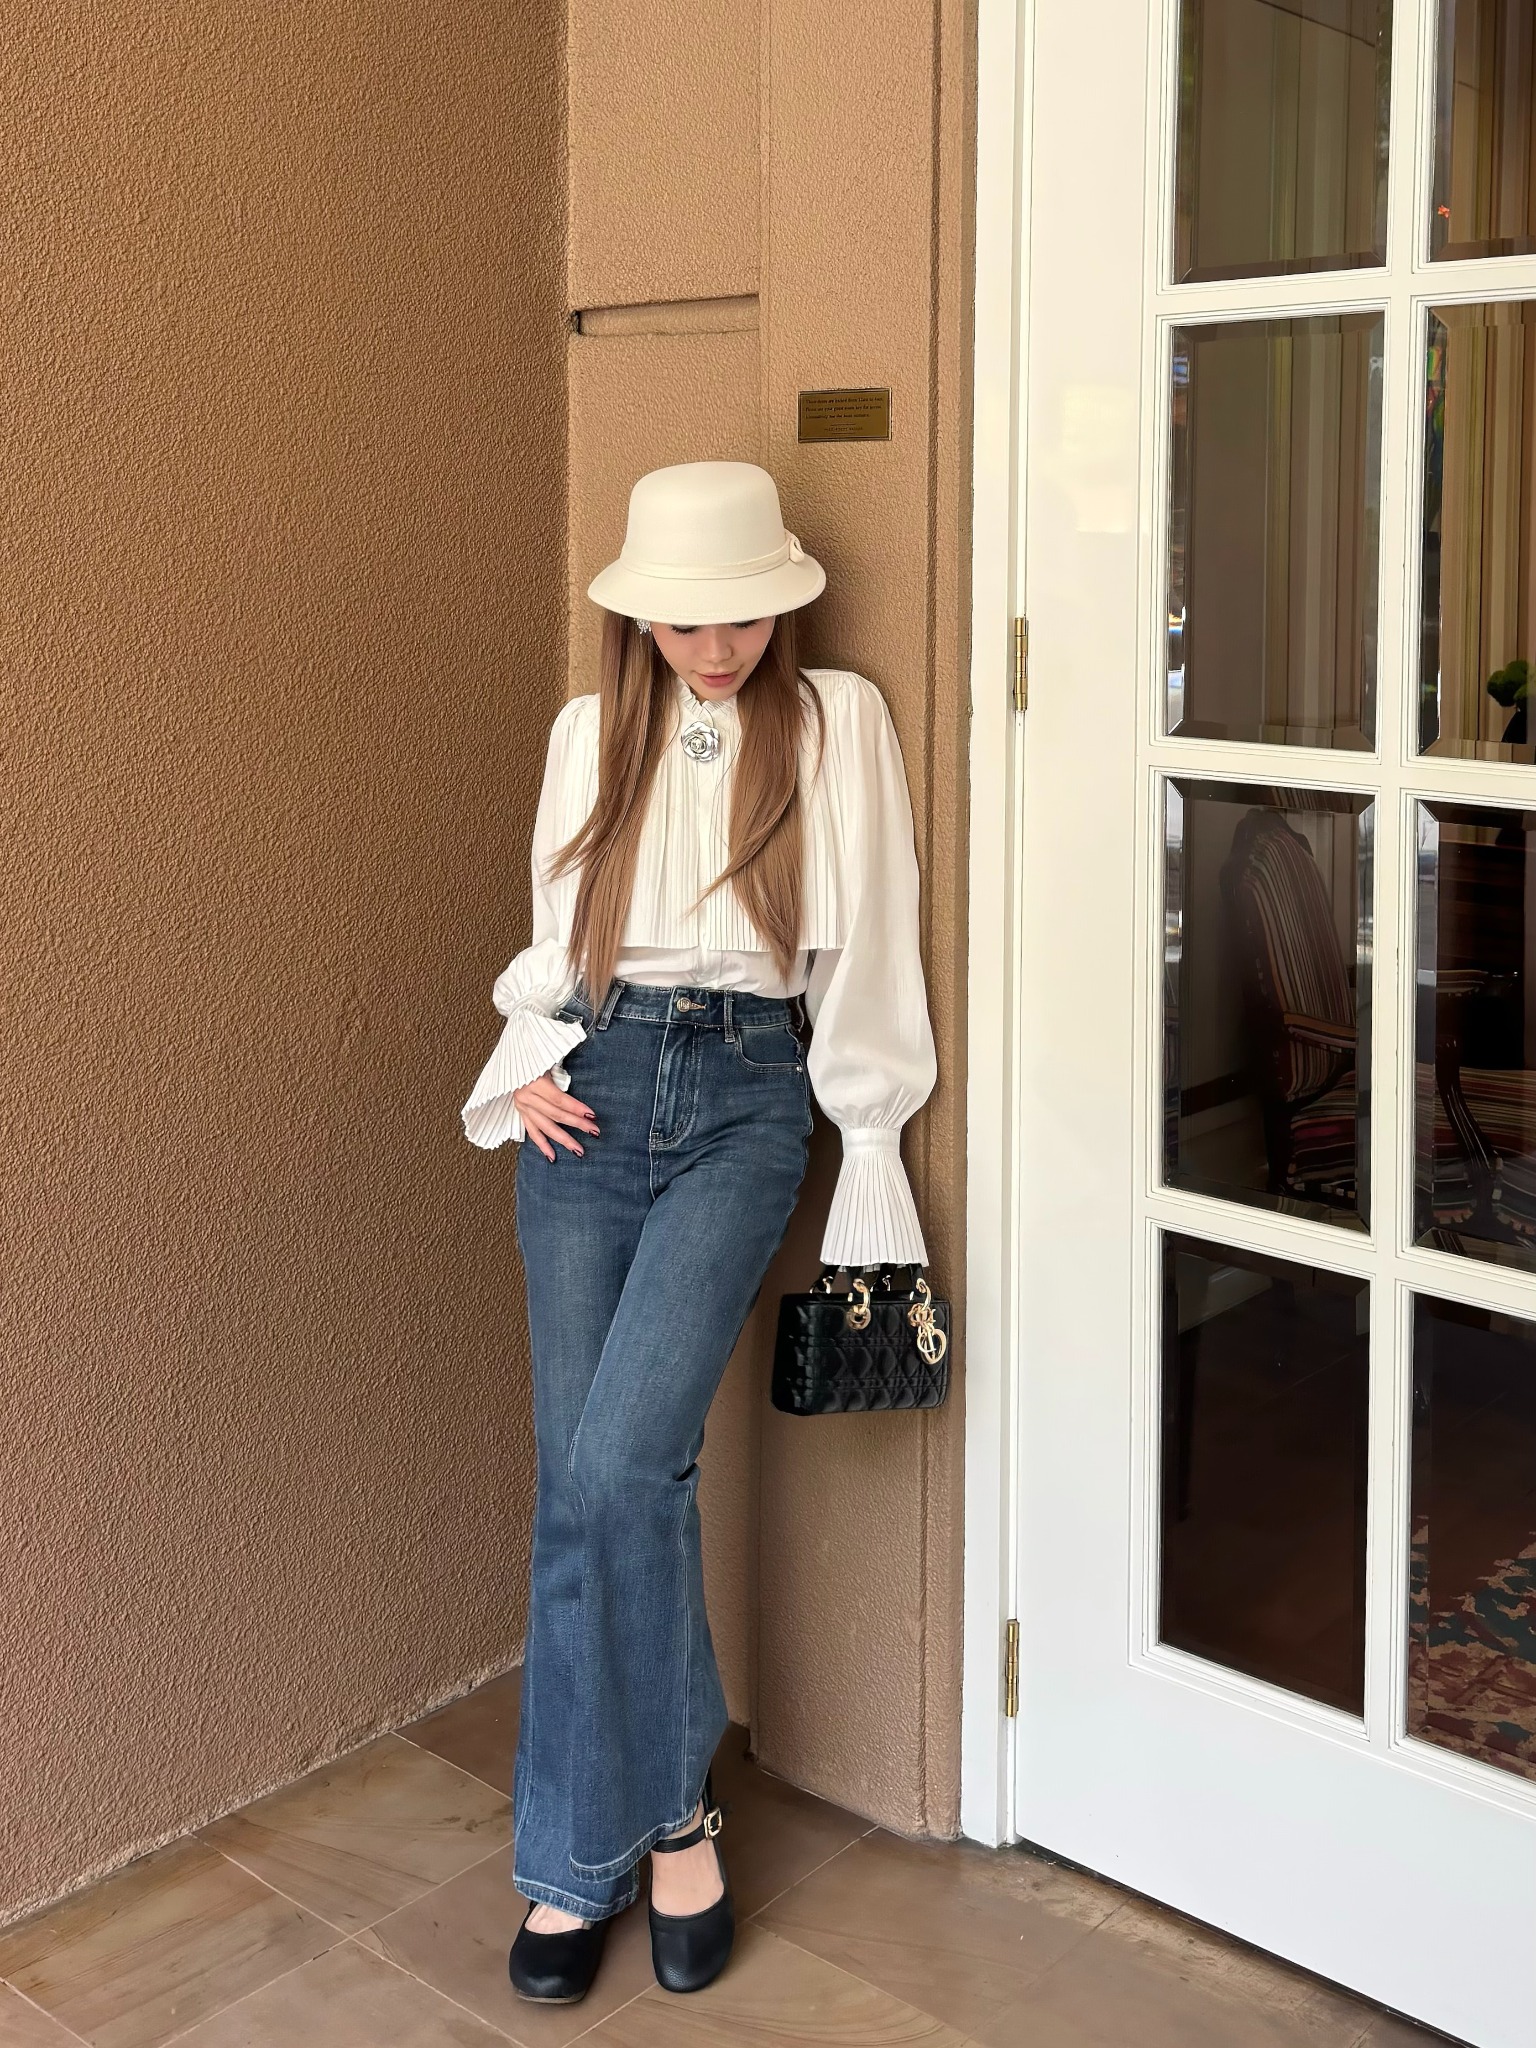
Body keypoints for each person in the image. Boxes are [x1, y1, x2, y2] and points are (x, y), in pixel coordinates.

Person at [460, 460, 937, 2003]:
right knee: (580, 1489)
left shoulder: (837, 723)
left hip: (746, 1096)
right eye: (682, 621)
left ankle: (652, 1826)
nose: (714, 647)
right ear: (640, 618)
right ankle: (603, 1851)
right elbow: (555, 932)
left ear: (780, 605)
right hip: (588, 1093)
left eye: (739, 616)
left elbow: (872, 948)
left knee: (620, 1466)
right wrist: (523, 1060)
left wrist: (872, 1136)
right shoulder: (588, 733)